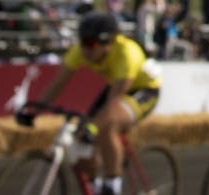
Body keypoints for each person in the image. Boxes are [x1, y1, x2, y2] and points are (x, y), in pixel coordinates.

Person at [16, 12, 162, 195]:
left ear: (108, 43)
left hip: (143, 89)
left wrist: (92, 129)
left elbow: (114, 101)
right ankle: (95, 187)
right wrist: (34, 110)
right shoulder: (81, 50)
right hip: (115, 86)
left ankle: (112, 186)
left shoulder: (127, 53)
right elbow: (58, 83)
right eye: (83, 42)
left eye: (91, 44)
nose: (86, 50)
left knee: (108, 126)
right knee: (80, 140)